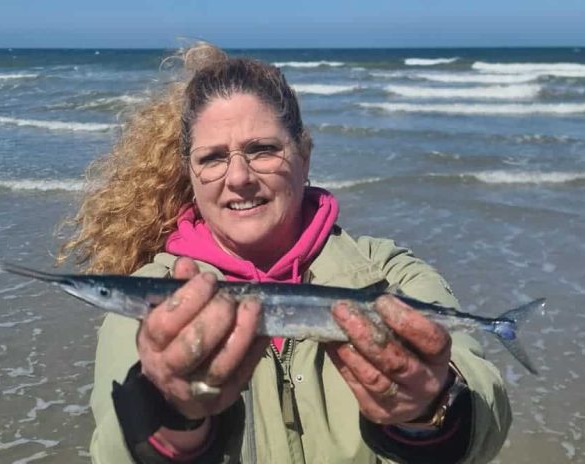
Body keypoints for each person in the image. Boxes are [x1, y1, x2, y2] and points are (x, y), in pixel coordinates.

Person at [60, 43, 511, 463]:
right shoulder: (149, 304)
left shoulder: (388, 271)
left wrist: (430, 411)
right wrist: (174, 422)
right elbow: (115, 450)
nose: (238, 177)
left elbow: (484, 411)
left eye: (262, 149)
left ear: (305, 155)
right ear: (191, 174)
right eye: (213, 158)